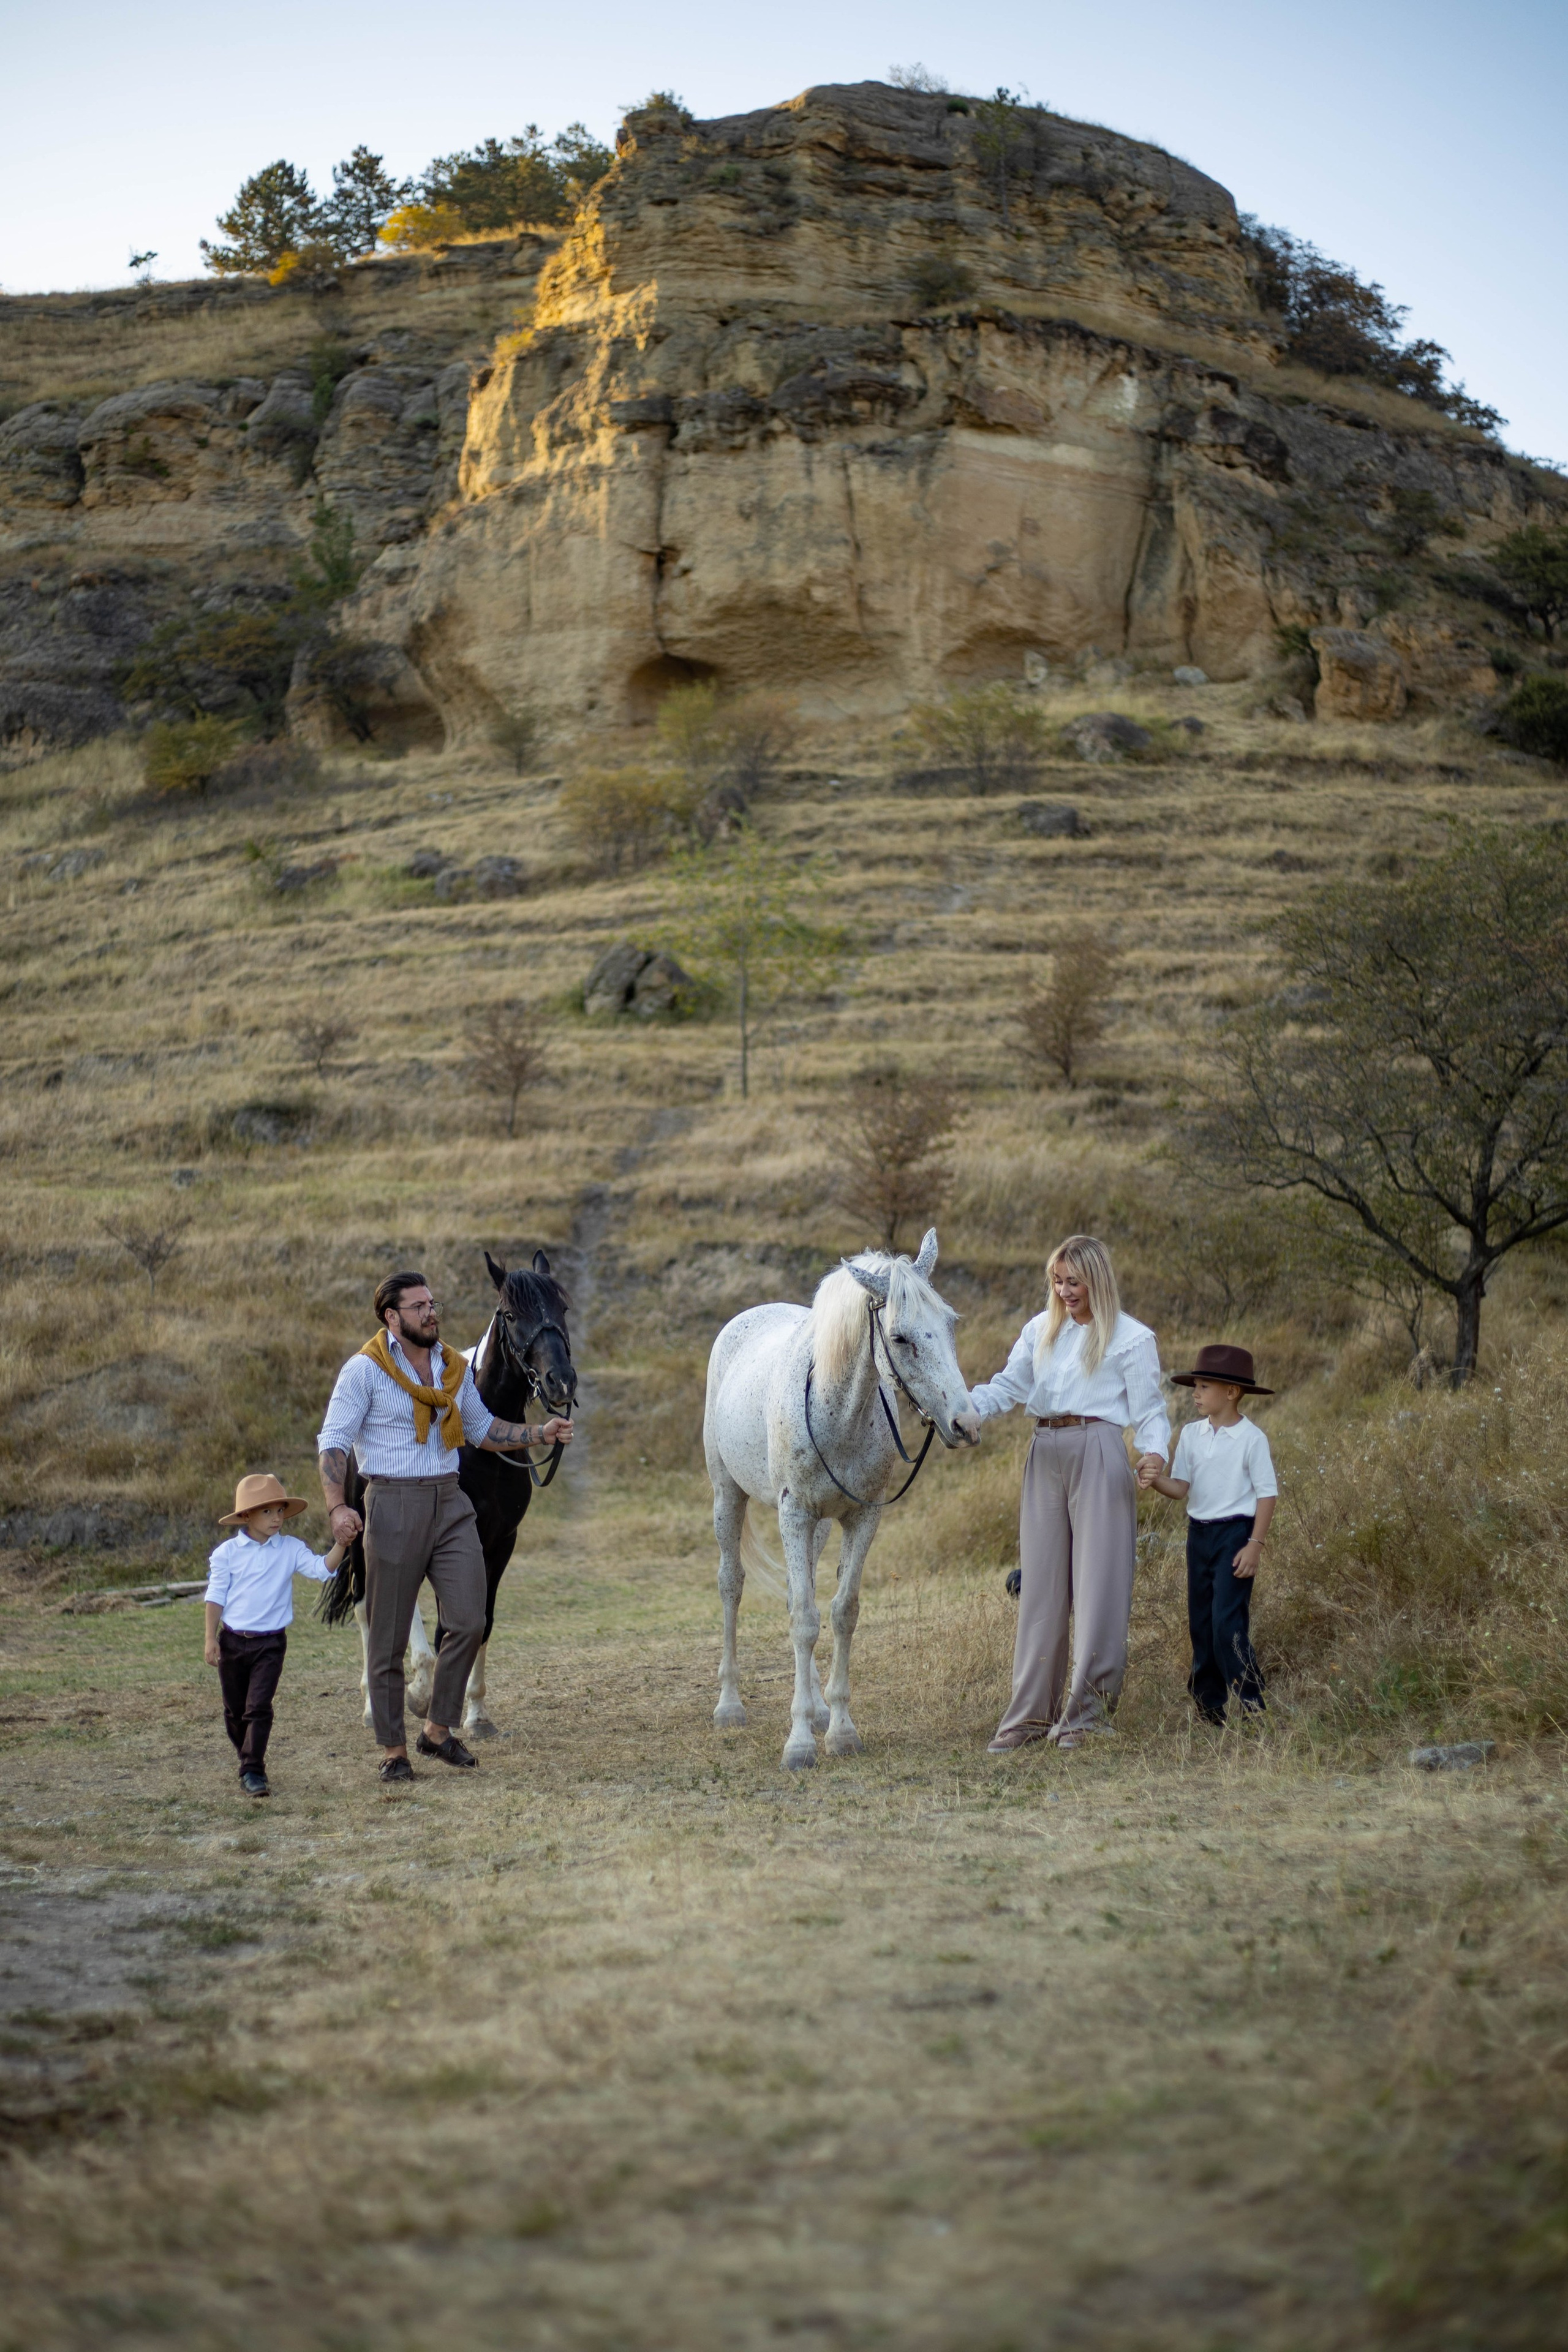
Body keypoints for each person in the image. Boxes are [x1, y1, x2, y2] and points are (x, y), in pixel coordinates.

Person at [317, 1270, 575, 1783]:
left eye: (432, 1304)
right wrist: (336, 1509)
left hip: (449, 1499)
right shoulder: (364, 1371)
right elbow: (334, 1443)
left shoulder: (452, 1367)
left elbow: (481, 1429)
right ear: (392, 1318)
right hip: (391, 1502)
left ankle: (437, 1730)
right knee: (389, 1638)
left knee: (469, 1619)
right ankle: (393, 1750)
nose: (431, 1313)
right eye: (419, 1307)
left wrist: (539, 1432)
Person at [956, 1235, 1169, 1752]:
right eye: (1058, 1280)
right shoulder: (1039, 1329)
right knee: (1042, 1589)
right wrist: (968, 1410)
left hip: (1099, 1449)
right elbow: (1008, 1385)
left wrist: (1154, 1453)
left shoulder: (1132, 1338)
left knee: (1100, 1587)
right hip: (1044, 1451)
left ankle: (1086, 1717)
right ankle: (1029, 1716)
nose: (1065, 1290)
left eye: (1074, 1281)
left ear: (1097, 1279)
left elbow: (1150, 1409)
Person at [1139, 1343, 1277, 1724]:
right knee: (1200, 1622)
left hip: (1236, 1536)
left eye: (1203, 1387)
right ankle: (1209, 1708)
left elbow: (1267, 1494)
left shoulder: (1252, 1439)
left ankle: (1252, 1703)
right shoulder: (1191, 1434)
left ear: (1231, 1392)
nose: (1195, 1395)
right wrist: (1156, 1481)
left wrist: (1255, 1544)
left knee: (1226, 1624)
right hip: (1198, 1537)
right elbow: (1182, 1488)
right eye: (1194, 1387)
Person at [204, 1474, 345, 1798]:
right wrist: (211, 1638)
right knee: (235, 1712)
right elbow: (216, 1597)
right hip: (232, 1642)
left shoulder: (291, 1548)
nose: (277, 1518)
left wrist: (342, 1543)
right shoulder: (227, 1554)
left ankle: (253, 1768)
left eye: (280, 1511)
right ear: (246, 1516)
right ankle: (247, 1756)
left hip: (270, 1644)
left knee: (259, 1707)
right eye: (267, 1512)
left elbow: (322, 1569)